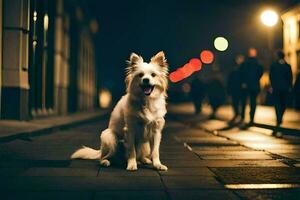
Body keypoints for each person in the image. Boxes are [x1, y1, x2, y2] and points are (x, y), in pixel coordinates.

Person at [269, 50, 293, 134]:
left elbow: (271, 76)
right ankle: (279, 118)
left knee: (279, 104)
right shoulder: (285, 66)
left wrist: (272, 86)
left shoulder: (276, 65)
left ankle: (279, 118)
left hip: (279, 88)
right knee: (281, 104)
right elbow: (290, 77)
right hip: (282, 88)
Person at [240, 48, 264, 126]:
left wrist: (243, 82)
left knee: (244, 102)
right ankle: (251, 118)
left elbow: (242, 73)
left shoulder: (245, 63)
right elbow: (261, 72)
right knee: (253, 102)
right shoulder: (258, 63)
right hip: (254, 85)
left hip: (246, 85)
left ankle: (243, 117)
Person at [227, 55, 244, 123]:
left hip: (240, 89)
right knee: (235, 103)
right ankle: (237, 114)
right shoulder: (233, 69)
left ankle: (240, 116)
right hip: (235, 89)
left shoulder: (243, 69)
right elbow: (230, 80)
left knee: (241, 103)